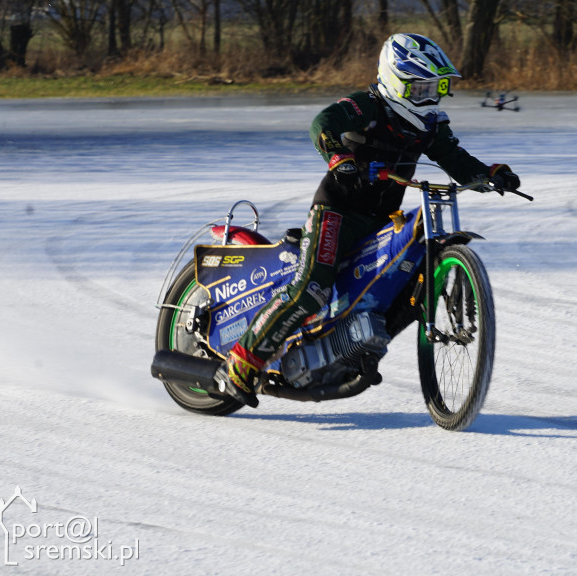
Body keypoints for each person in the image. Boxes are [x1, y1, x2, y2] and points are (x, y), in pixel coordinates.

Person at [220, 32, 521, 407]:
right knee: (312, 288)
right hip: (337, 212)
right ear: (396, 82)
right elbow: (323, 123)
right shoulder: (368, 107)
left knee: (404, 281)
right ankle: (242, 363)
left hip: (382, 222)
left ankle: (351, 343)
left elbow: (457, 161)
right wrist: (339, 159)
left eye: (437, 87)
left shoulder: (429, 125)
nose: (431, 97)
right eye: (422, 88)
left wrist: (490, 175)